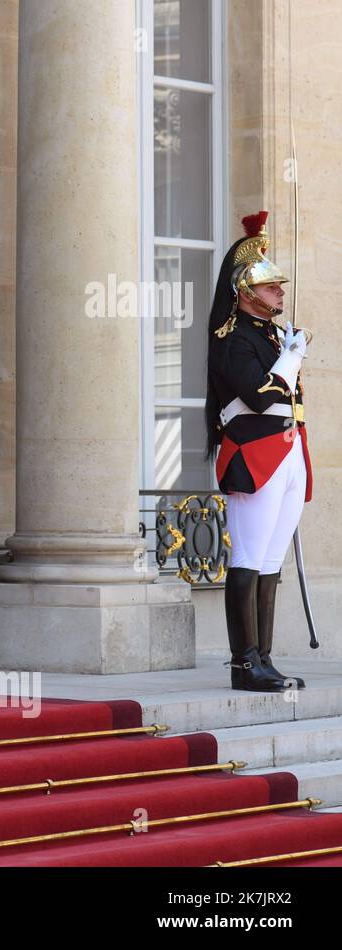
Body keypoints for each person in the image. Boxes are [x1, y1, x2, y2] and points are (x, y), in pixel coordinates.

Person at [205, 211, 310, 692]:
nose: (280, 293)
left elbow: (290, 403)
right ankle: (243, 664)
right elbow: (261, 396)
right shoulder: (233, 340)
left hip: (287, 453)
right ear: (246, 292)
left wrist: (286, 352)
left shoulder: (270, 337)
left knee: (271, 559)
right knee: (247, 556)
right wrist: (291, 357)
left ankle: (263, 658)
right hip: (254, 455)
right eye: (271, 288)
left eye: (279, 287)